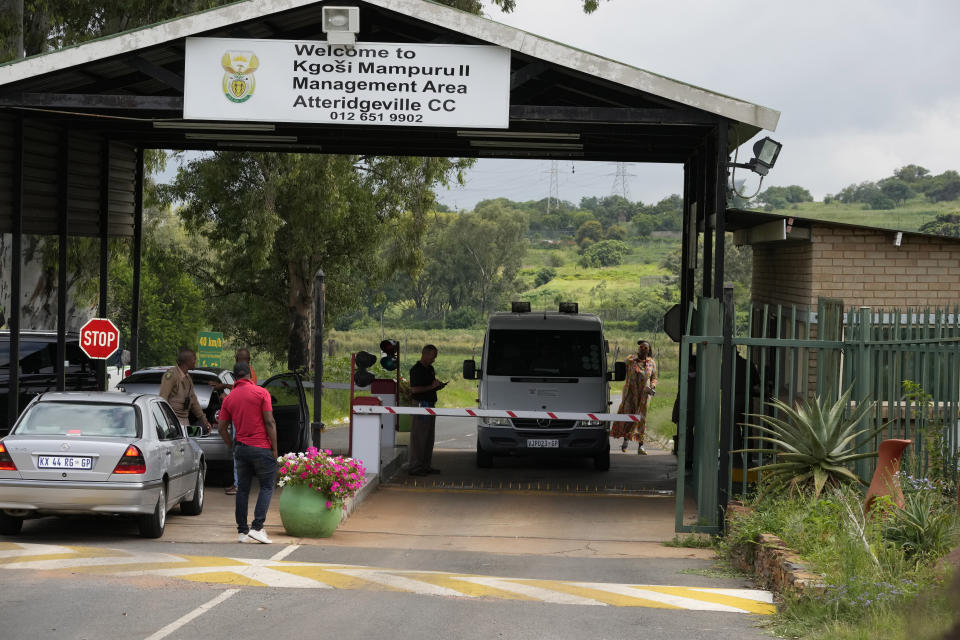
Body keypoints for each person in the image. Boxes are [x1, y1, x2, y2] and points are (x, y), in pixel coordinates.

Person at [217, 361, 278, 544]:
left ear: (235, 377)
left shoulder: (229, 398)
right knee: (267, 486)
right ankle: (257, 527)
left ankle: (242, 532)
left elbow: (221, 428)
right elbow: (269, 422)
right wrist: (274, 449)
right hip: (261, 448)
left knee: (243, 489)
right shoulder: (261, 393)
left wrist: (231, 446)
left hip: (241, 449)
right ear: (250, 374)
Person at [210, 348, 258, 496]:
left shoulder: (246, 375)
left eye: (238, 359)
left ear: (238, 360)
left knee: (238, 453)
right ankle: (240, 483)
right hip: (248, 420)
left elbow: (240, 391)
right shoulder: (252, 374)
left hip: (240, 420)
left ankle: (239, 485)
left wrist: (222, 389)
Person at [611, 340, 658, 455]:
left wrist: (652, 386)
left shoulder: (651, 363)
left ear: (649, 350)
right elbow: (624, 364)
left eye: (645, 348)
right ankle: (625, 442)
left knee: (641, 419)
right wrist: (634, 359)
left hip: (644, 395)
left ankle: (641, 446)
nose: (642, 349)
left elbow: (654, 377)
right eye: (641, 347)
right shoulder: (631, 360)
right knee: (628, 416)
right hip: (630, 394)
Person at [407, 344, 445, 476]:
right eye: (433, 356)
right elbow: (415, 389)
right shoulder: (416, 370)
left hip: (430, 404)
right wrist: (431, 386)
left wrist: (438, 386)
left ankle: (426, 465)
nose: (434, 359)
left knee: (429, 437)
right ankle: (415, 466)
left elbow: (430, 385)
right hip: (420, 405)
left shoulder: (430, 369)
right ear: (425, 354)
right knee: (419, 436)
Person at [158, 347, 212, 432]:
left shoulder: (188, 378)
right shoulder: (171, 375)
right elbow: (162, 398)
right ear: (187, 361)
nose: (195, 362)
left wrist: (204, 420)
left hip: (184, 420)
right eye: (194, 359)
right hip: (172, 421)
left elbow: (194, 401)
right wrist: (165, 422)